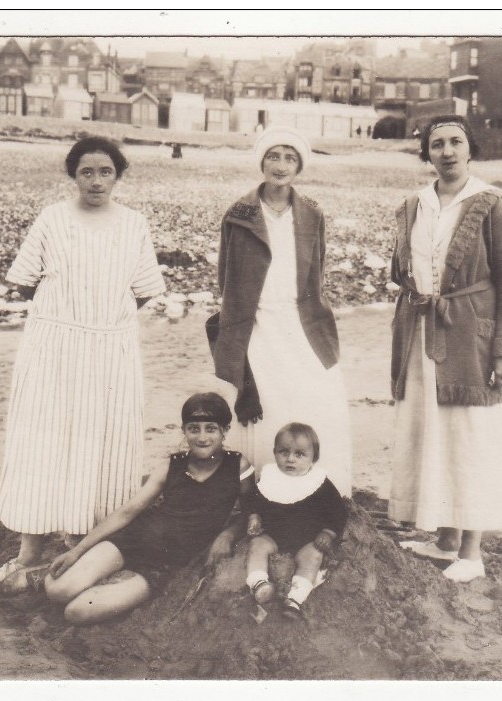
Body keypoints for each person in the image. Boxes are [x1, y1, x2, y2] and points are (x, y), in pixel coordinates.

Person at [0, 136, 167, 588]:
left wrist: (101, 324)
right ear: (73, 175)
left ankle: (82, 549)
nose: (97, 181)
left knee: (103, 445)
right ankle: (28, 554)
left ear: (117, 176)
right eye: (87, 172)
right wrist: (66, 319)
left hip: (109, 353)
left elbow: (143, 289)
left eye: (106, 172)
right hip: (52, 351)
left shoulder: (133, 224)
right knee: (43, 445)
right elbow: (26, 282)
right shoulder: (52, 219)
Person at [388, 115, 502, 583]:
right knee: (433, 432)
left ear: (470, 150)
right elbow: (399, 268)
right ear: (426, 153)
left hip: (471, 339)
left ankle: (471, 552)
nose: (446, 151)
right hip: (422, 334)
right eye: (437, 144)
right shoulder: (413, 204)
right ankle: (444, 540)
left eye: (456, 143)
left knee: (469, 437)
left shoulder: (489, 204)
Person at [213, 126, 353, 496]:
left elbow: (316, 276)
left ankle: (319, 493)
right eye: (273, 156)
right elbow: (225, 279)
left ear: (300, 166)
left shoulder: (311, 214)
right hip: (254, 324)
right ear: (261, 161)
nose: (281, 165)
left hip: (300, 322)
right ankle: (262, 494)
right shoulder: (238, 214)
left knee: (320, 397)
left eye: (290, 158)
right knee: (260, 408)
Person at [39, 393, 256, 624]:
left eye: (211, 429)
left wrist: (227, 534)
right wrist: (77, 551)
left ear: (225, 430)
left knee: (77, 612)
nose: (202, 437)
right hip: (133, 540)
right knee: (58, 592)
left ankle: (110, 579)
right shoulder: (171, 466)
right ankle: (52, 576)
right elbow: (128, 511)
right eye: (194, 429)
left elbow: (250, 512)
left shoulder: (238, 466)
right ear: (184, 430)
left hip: (166, 564)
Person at [243, 423, 347, 620]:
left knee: (314, 556)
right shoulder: (270, 477)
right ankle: (259, 583)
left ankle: (295, 598)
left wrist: (328, 533)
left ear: (313, 458)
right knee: (257, 545)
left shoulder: (319, 483)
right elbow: (253, 500)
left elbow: (338, 512)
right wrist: (254, 516)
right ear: (274, 452)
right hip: (273, 536)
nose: (290, 459)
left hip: (306, 540)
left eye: (299, 454)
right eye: (283, 452)